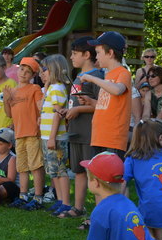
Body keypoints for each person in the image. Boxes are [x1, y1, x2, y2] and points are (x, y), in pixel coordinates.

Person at [60, 36, 103, 220]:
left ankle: (98, 215)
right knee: (78, 171)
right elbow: (77, 102)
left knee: (93, 175)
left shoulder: (98, 77)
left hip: (90, 133)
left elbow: (100, 105)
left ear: (87, 55)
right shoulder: (77, 76)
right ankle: (78, 208)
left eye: (75, 53)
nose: (71, 57)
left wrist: (77, 109)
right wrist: (68, 110)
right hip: (75, 132)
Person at [80, 31, 132, 158]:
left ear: (110, 53)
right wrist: (90, 101)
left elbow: (117, 90)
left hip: (113, 139)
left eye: (98, 53)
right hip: (99, 137)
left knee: (112, 177)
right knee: (97, 177)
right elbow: (108, 104)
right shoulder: (107, 75)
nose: (96, 57)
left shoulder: (123, 73)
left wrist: (92, 78)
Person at [4, 57, 45, 209]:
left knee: (35, 166)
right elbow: (9, 114)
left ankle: (38, 198)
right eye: (22, 69)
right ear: (18, 69)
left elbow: (41, 108)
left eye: (28, 72)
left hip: (33, 132)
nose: (23, 74)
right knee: (22, 167)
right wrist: (6, 99)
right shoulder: (13, 90)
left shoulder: (34, 89)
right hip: (19, 134)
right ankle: (23, 195)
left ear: (33, 76)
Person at [39, 55, 70, 216]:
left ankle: (66, 203)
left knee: (60, 169)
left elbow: (58, 114)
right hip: (47, 137)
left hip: (55, 138)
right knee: (53, 170)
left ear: (55, 69)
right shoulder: (51, 87)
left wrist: (52, 137)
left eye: (44, 70)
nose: (41, 73)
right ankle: (59, 200)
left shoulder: (58, 88)